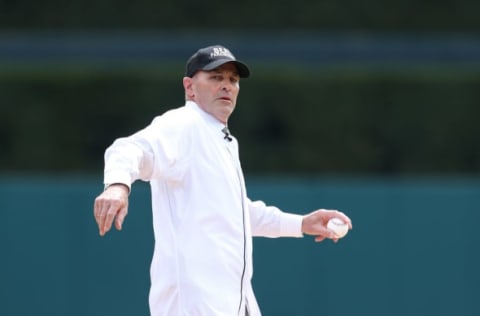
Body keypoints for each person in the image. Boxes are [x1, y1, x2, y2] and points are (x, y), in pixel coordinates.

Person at [93, 44, 352, 316]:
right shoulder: (185, 124)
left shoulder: (221, 138)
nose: (227, 85)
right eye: (216, 77)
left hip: (233, 302)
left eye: (233, 79)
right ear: (190, 87)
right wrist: (118, 186)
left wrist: (300, 223)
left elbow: (235, 212)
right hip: (194, 305)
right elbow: (129, 148)